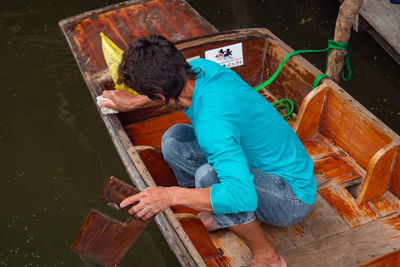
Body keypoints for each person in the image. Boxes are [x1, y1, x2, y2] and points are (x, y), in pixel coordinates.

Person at [100, 35, 316, 267]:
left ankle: (268, 257)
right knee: (174, 140)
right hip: (265, 166)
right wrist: (133, 102)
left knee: (208, 177)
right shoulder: (201, 68)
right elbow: (171, 92)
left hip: (292, 197)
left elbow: (242, 195)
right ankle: (221, 213)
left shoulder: (213, 124)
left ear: (160, 96)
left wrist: (169, 195)